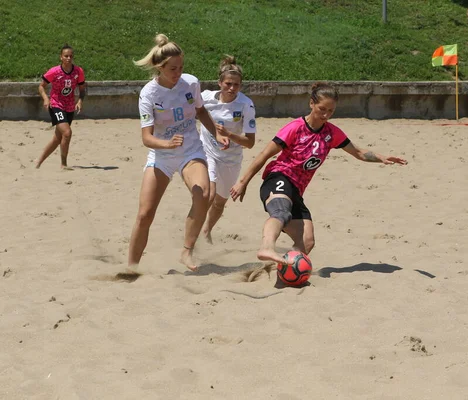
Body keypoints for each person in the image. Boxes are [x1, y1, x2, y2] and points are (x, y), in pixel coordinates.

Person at [230, 82, 408, 266]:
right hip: (279, 177)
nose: (325, 115)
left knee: (307, 242)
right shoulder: (295, 128)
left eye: (331, 111)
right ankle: (266, 247)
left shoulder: (331, 133)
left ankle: (286, 271)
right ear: (311, 104)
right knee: (281, 212)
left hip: (296, 190)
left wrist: (383, 158)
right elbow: (264, 155)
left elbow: (359, 153)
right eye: (322, 109)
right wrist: (243, 182)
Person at [128, 34, 226, 271]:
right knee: (145, 214)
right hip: (161, 154)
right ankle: (131, 267)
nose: (178, 72)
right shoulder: (149, 94)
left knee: (203, 193)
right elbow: (146, 138)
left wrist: (216, 133)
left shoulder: (191, 83)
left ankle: (186, 251)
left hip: (190, 150)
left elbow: (201, 112)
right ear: (159, 67)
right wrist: (167, 144)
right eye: (173, 68)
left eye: (181, 67)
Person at [199, 55, 257, 244]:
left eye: (236, 85)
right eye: (228, 84)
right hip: (206, 151)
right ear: (220, 83)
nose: (232, 88)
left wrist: (229, 135)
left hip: (231, 158)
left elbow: (250, 143)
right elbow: (188, 112)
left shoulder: (246, 105)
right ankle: (193, 236)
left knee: (220, 202)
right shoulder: (206, 97)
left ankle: (207, 230)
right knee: (209, 191)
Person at [35, 44, 86, 169]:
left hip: (70, 107)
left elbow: (82, 89)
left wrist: (80, 101)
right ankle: (63, 164)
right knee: (67, 133)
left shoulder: (78, 71)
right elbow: (41, 86)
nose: (68, 58)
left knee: (58, 138)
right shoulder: (54, 71)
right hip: (56, 105)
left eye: (70, 56)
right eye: (66, 56)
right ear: (61, 57)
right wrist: (46, 99)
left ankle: (38, 161)